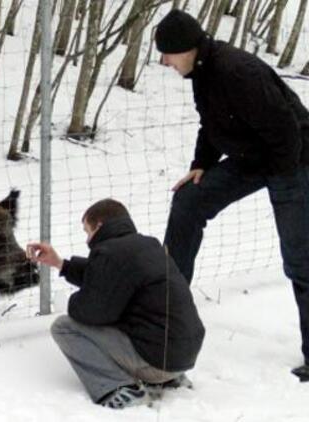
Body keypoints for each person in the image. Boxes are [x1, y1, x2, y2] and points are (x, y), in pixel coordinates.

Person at [156, 9, 309, 382]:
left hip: (294, 160)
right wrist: (201, 164)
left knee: (300, 260)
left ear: (186, 48)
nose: (164, 62)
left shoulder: (237, 71)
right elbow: (211, 124)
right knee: (188, 202)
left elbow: (286, 129)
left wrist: (284, 184)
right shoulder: (202, 73)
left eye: (167, 54)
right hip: (253, 157)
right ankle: (164, 310)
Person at [27, 199, 205, 409]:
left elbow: (90, 312)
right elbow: (106, 278)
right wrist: (61, 264)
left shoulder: (110, 253)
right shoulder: (147, 246)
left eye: (87, 231)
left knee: (64, 327)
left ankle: (117, 389)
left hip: (157, 360)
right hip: (183, 354)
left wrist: (74, 300)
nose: (87, 240)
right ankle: (168, 379)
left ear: (100, 225)